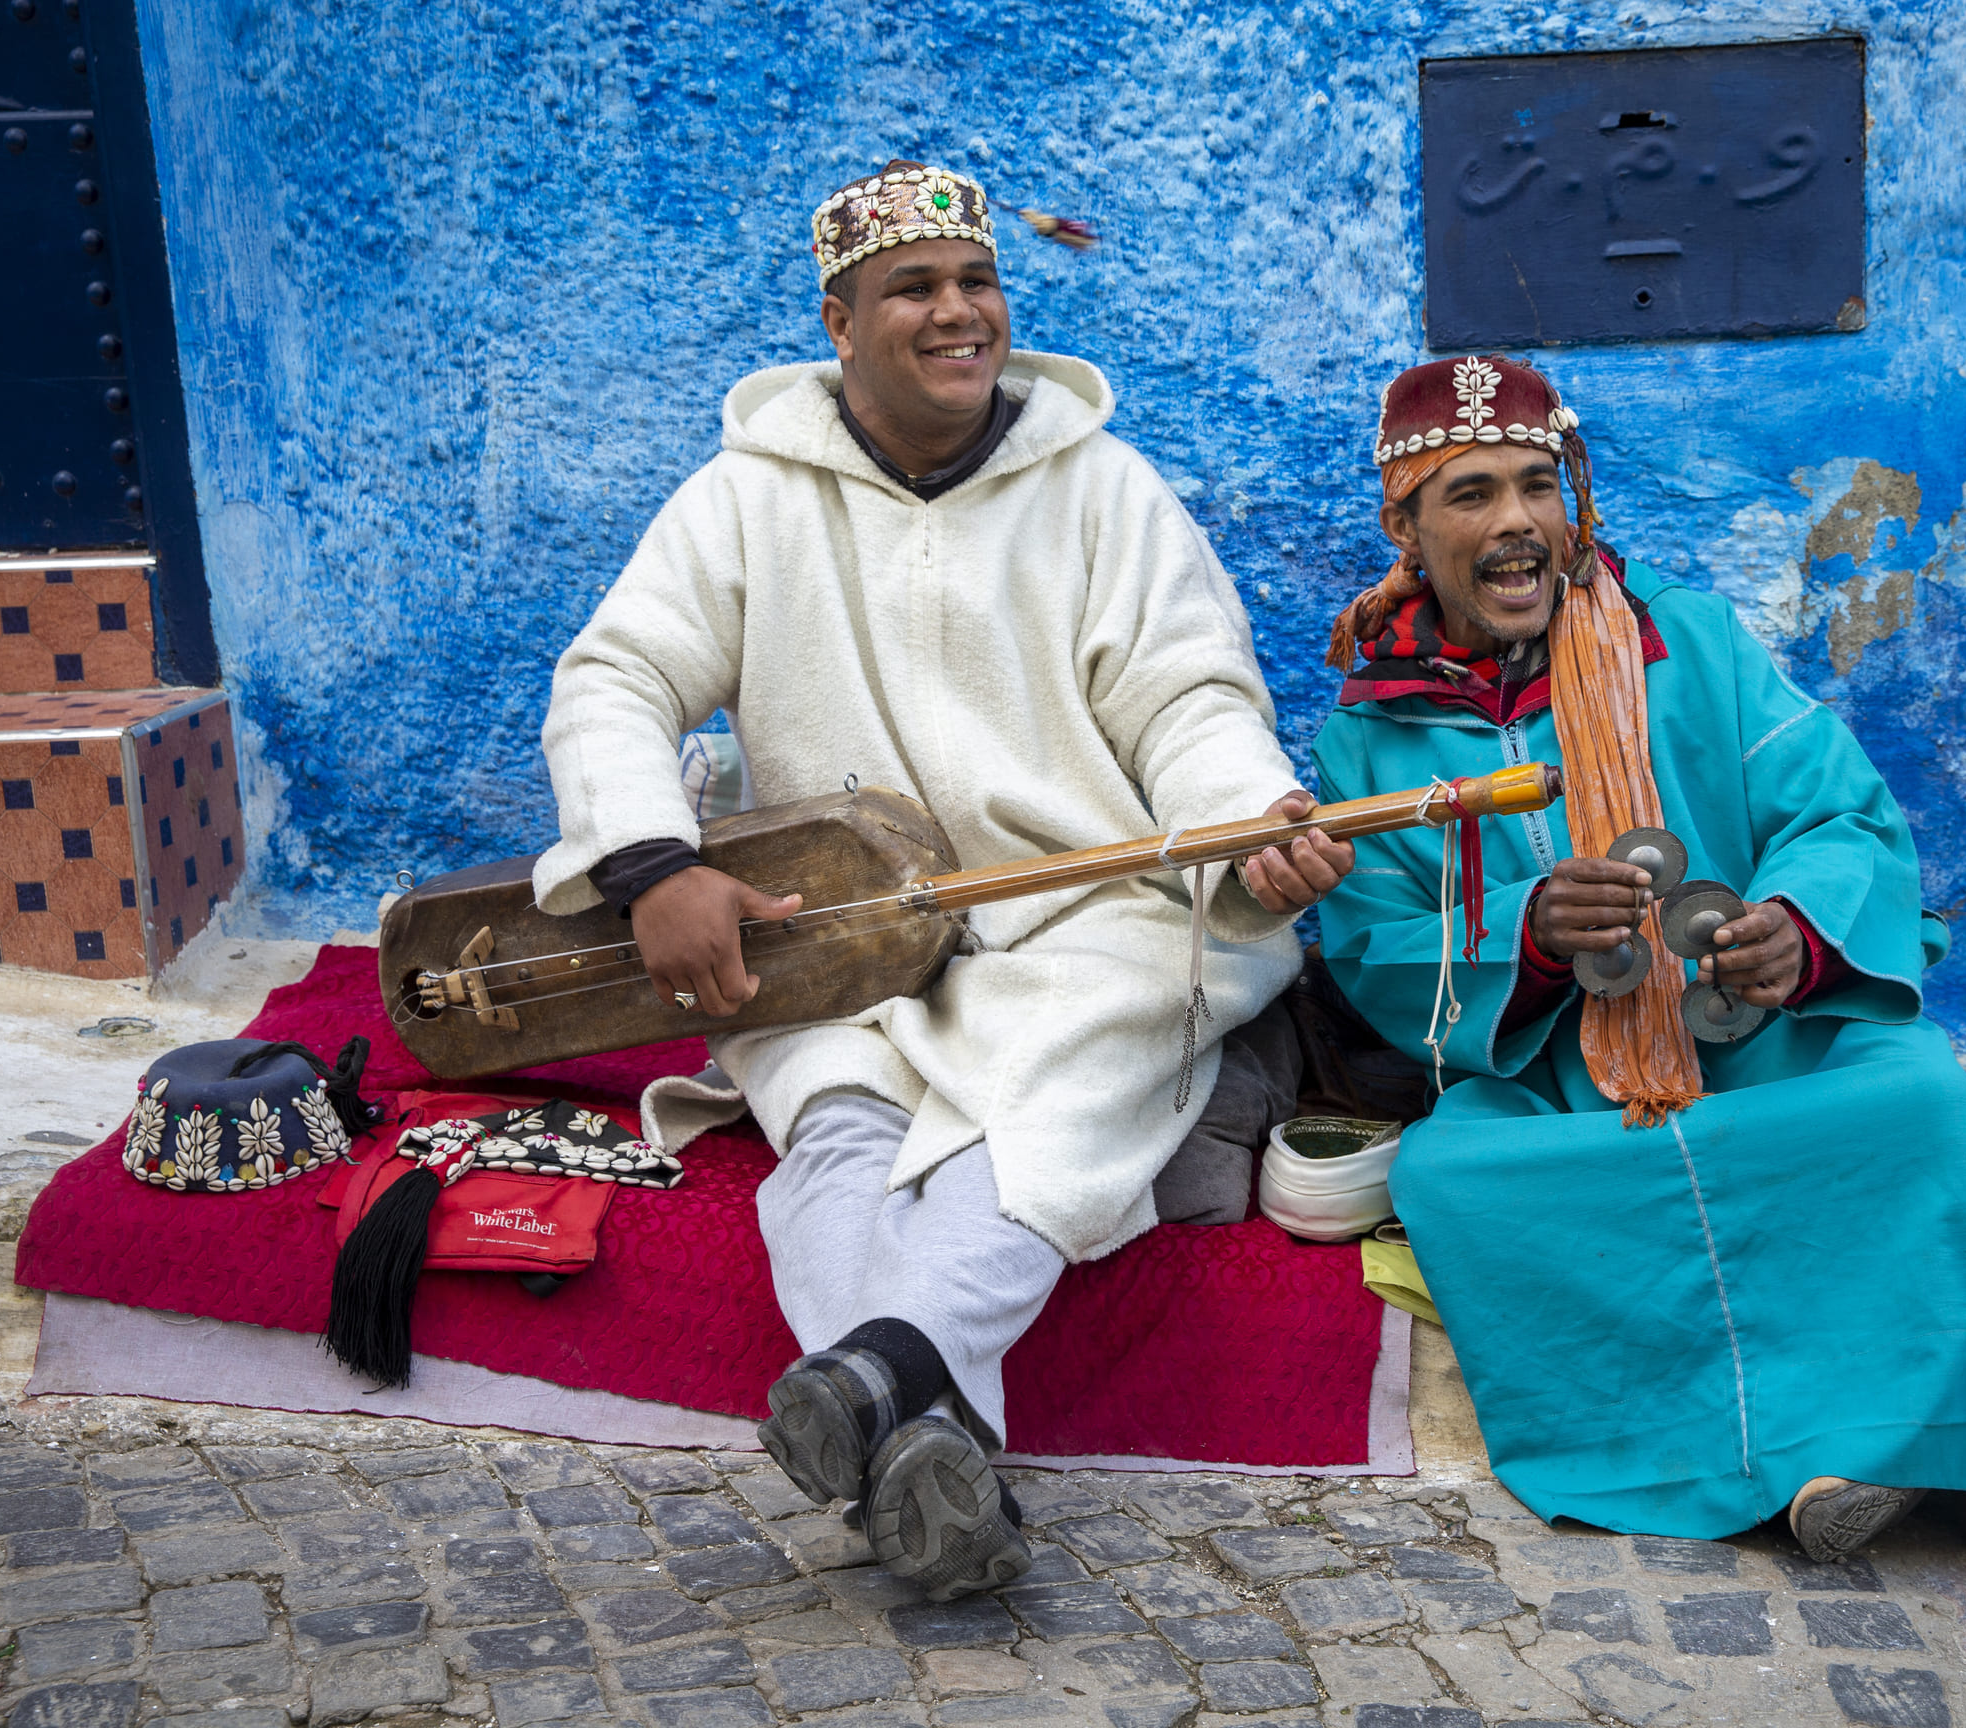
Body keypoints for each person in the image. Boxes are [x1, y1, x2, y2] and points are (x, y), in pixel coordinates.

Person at [1310, 355, 1966, 1728]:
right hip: (1565, 1092)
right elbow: (1370, 955)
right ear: (1408, 533)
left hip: (1750, 1052)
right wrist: (1530, 938)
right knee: (1458, 1180)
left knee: (1918, 1103)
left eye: (1540, 484)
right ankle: (1813, 1458)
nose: (1517, 521)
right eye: (1469, 494)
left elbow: (1842, 818)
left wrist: (1794, 930)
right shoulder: (1369, 740)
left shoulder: (1692, 647)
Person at [533, 160, 1352, 1600]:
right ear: (839, 323)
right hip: (834, 924)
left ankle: (883, 1385)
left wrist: (1243, 822)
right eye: (915, 288)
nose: (959, 312)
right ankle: (938, 1438)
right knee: (842, 1132)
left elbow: (1188, 702)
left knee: (1031, 1121)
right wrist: (655, 863)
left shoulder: (1100, 487)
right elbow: (615, 679)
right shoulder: (746, 499)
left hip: (1083, 914)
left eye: (978, 282)